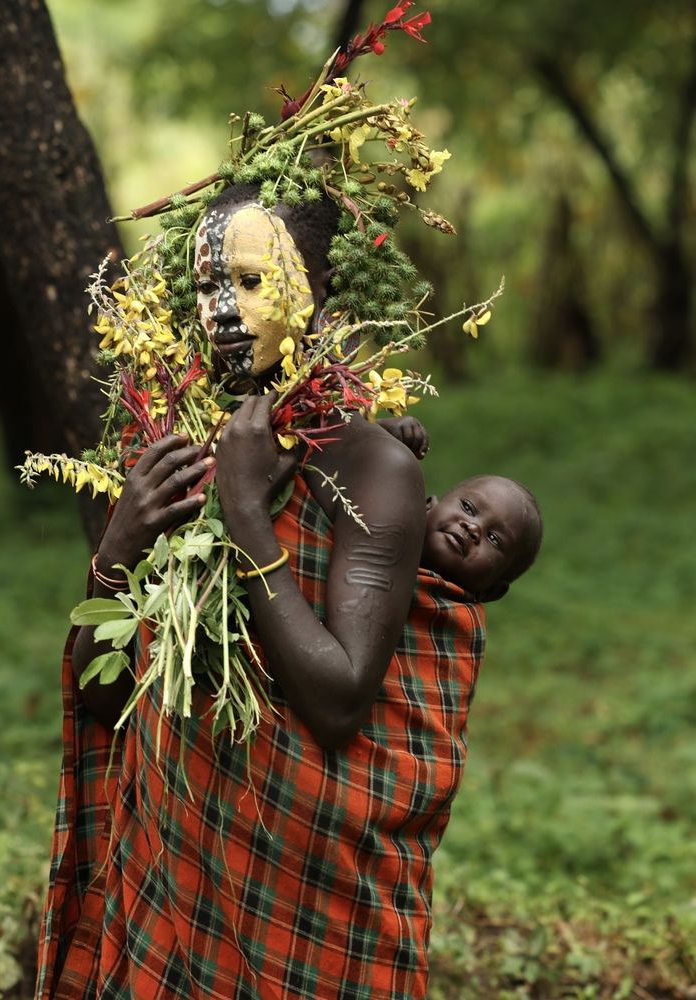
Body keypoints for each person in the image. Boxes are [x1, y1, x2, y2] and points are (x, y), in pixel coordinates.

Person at [35, 188, 542, 1000]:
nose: (221, 312)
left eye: (249, 281)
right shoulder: (173, 443)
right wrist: (121, 542)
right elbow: (109, 701)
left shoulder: (373, 464)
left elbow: (340, 700)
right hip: (177, 857)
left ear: (314, 292)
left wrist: (243, 509)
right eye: (207, 287)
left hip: (303, 888)